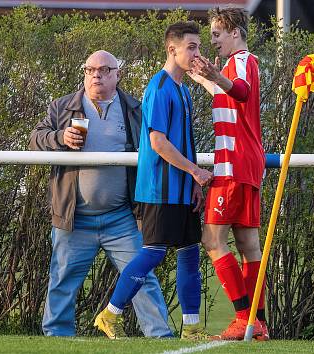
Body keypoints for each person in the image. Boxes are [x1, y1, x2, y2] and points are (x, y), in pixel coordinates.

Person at [29, 50, 172, 338]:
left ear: (118, 74)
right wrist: (60, 137)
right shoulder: (62, 107)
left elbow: (157, 149)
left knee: (142, 278)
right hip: (74, 219)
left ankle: (160, 337)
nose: (96, 75)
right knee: (62, 281)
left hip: (121, 219)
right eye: (90, 69)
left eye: (105, 70)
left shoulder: (134, 109)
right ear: (84, 73)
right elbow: (35, 139)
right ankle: (56, 338)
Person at [94, 22, 213, 340]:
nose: (197, 53)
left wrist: (193, 184)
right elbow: (158, 142)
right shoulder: (159, 88)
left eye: (199, 47)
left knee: (190, 252)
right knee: (154, 253)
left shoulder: (184, 89)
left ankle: (192, 329)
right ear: (172, 49)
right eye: (192, 47)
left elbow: (184, 142)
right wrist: (195, 172)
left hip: (182, 190)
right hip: (158, 190)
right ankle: (110, 314)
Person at [188, 7, 268, 341]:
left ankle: (241, 317)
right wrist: (205, 78)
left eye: (217, 35)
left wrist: (216, 76)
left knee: (212, 239)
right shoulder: (239, 66)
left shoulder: (241, 61)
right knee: (249, 245)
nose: (214, 43)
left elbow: (240, 91)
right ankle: (258, 324)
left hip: (233, 166)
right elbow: (230, 95)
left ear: (234, 32)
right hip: (248, 165)